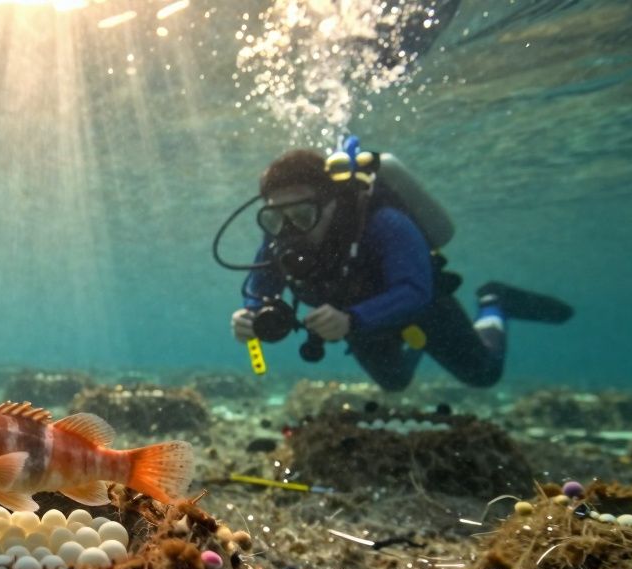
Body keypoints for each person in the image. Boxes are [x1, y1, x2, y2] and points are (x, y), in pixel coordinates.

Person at [228, 148, 572, 391]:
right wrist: (251, 314)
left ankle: (494, 300)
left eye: (302, 215)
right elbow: (260, 288)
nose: (290, 229)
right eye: (275, 217)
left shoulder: (381, 221)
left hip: (421, 310)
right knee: (394, 382)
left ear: (332, 202)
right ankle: (413, 345)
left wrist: (352, 320)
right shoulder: (278, 236)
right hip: (359, 321)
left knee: (483, 374)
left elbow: (414, 290)